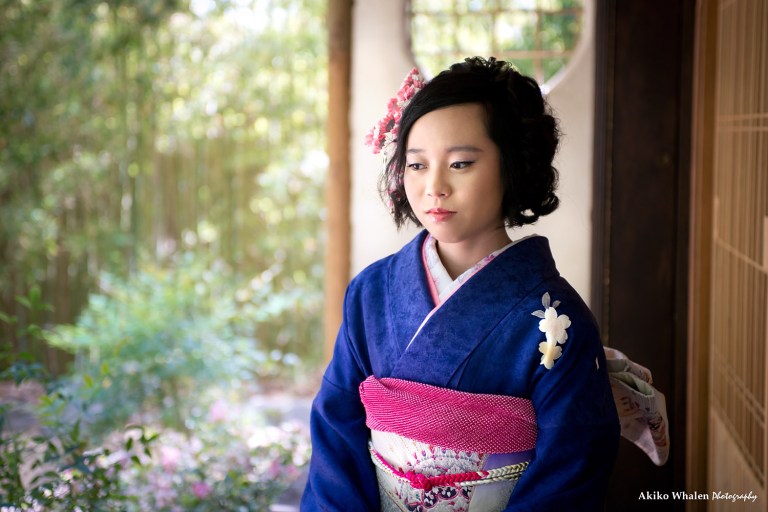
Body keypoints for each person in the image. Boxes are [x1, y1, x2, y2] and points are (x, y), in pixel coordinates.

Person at [301, 56, 620, 511]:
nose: (434, 186)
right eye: (416, 165)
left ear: (512, 165)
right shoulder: (370, 293)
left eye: (461, 163)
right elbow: (337, 435)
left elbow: (571, 470)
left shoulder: (557, 320)